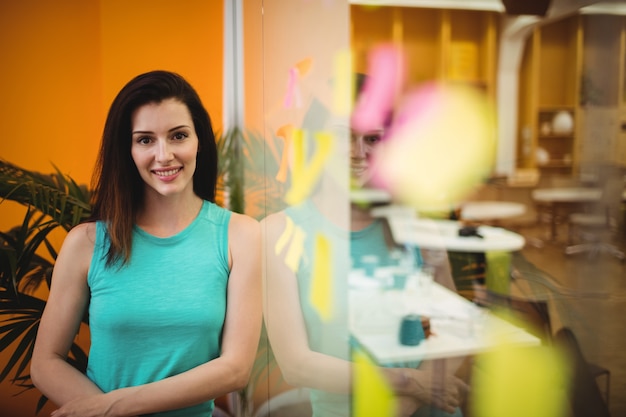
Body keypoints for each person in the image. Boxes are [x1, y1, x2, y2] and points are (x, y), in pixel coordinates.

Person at [31, 70, 262, 417]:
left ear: (199, 140)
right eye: (145, 140)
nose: (164, 155)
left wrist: (113, 408)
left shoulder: (241, 236)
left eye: (178, 135)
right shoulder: (85, 243)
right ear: (127, 150)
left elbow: (235, 368)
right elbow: (46, 362)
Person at [262, 74, 468, 417]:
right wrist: (407, 382)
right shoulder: (279, 232)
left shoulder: (413, 227)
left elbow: (456, 328)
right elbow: (296, 365)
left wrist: (410, 398)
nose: (359, 153)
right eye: (345, 136)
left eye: (373, 138)